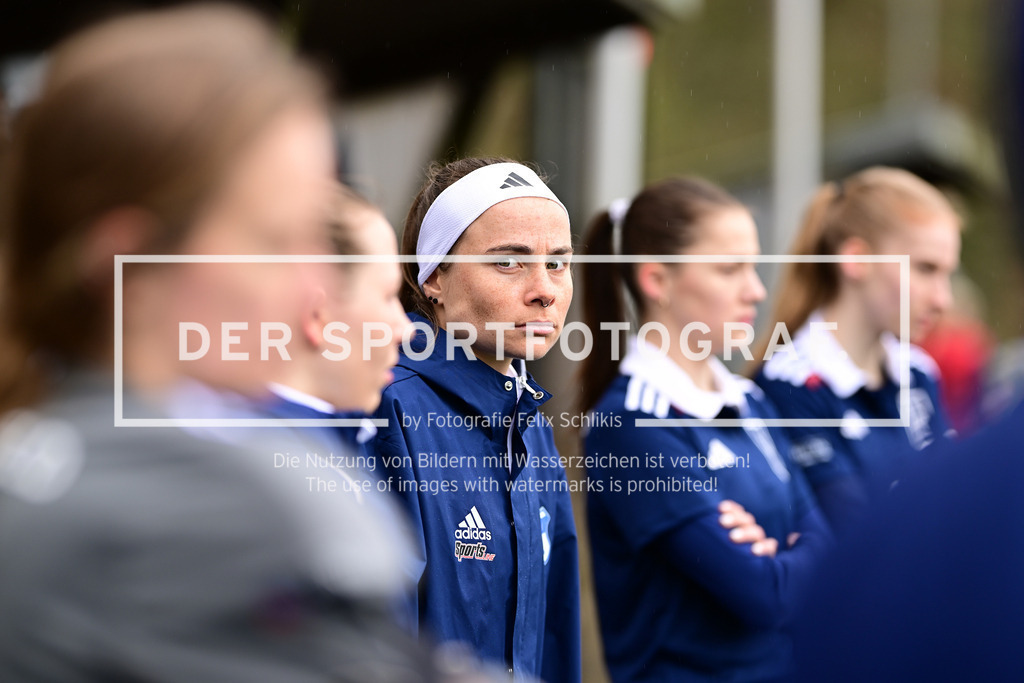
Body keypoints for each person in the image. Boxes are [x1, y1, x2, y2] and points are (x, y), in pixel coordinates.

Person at [0, 6, 451, 681]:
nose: (315, 287)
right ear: (133, 263)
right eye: (277, 241)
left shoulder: (43, 448)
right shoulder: (233, 507)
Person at [578, 177, 831, 682]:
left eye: (754, 266)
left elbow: (828, 543)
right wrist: (799, 552)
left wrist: (790, 557)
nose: (756, 290)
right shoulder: (629, 425)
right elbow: (766, 596)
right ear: (656, 280)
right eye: (729, 268)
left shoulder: (749, 399)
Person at [368, 157, 581, 682]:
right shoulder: (388, 407)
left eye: (558, 262)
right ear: (435, 276)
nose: (544, 289)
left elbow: (553, 636)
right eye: (509, 262)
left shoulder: (529, 420)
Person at [752, 166, 961, 532]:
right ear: (857, 259)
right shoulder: (788, 386)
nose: (944, 298)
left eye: (948, 273)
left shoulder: (919, 372)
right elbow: (859, 541)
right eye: (926, 269)